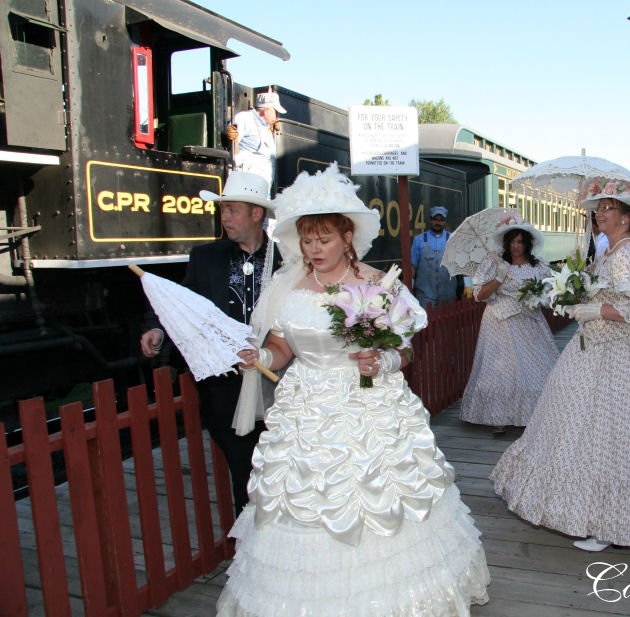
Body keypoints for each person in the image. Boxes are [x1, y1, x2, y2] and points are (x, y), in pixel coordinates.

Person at [218, 164, 489, 617]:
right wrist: (261, 359)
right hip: (306, 410)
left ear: (346, 237)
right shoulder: (287, 288)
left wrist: (381, 360)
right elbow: (281, 347)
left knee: (379, 498)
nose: (313, 249)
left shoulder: (377, 285)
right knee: (302, 503)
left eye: (323, 240)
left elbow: (405, 353)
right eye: (307, 240)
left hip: (369, 405)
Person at [491, 179, 630, 553]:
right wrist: (575, 298)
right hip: (592, 351)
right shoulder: (609, 254)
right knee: (584, 431)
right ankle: (596, 517)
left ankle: (611, 522)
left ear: (629, 218)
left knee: (613, 436)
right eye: (598, 207)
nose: (599, 212)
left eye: (608, 207)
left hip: (619, 358)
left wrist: (598, 309)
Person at [139, 171, 283, 516]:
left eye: (232, 210)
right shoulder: (206, 257)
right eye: (223, 210)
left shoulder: (286, 259)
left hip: (278, 381)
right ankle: (250, 535)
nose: (225, 218)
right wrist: (158, 327)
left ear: (256, 213)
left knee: (281, 464)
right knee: (242, 466)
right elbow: (182, 301)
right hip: (226, 385)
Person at [460, 216, 559, 433]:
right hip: (499, 321)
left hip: (529, 320)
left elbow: (550, 291)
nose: (516, 246)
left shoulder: (538, 265)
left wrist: (537, 297)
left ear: (527, 244)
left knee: (535, 366)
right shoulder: (494, 263)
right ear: (506, 243)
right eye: (512, 241)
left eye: (520, 241)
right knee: (500, 370)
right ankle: (499, 418)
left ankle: (538, 414)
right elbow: (479, 295)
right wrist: (498, 278)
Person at [226, 90, 286, 194]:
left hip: (263, 184)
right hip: (249, 184)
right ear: (266, 110)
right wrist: (233, 141)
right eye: (275, 112)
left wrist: (271, 130)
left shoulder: (266, 125)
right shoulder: (245, 118)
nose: (276, 117)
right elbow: (233, 149)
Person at [411, 206, 459, 305]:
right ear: (430, 220)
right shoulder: (419, 240)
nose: (438, 222)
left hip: (448, 296)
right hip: (424, 297)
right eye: (435, 219)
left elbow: (461, 265)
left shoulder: (453, 239)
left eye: (441, 220)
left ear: (445, 222)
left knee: (448, 320)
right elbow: (412, 268)